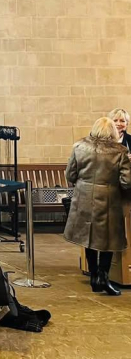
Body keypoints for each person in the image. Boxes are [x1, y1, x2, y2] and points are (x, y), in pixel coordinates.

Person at [64, 117, 131, 296]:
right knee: (109, 240)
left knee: (89, 236)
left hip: (84, 197)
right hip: (110, 198)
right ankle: (104, 276)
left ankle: (94, 275)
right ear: (113, 132)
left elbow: (70, 175)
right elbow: (127, 181)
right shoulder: (120, 151)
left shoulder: (79, 147)